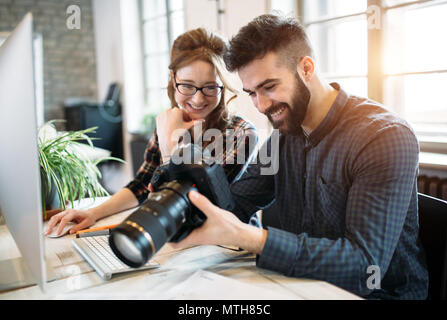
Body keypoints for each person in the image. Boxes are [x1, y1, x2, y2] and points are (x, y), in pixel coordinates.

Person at [171, 14, 429, 299]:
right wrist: (180, 160)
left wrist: (249, 237)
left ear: (306, 68)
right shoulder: (282, 138)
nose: (262, 105)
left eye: (269, 87)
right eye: (252, 93)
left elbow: (364, 265)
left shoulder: (383, 137)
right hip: (301, 287)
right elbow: (233, 206)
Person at [45, 28, 258, 237]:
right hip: (183, 242)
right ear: (173, 79)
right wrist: (93, 213)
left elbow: (196, 208)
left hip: (230, 246)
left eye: (211, 87)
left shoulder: (241, 134)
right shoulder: (170, 121)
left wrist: (169, 148)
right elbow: (141, 185)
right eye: (188, 86)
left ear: (224, 85)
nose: (198, 99)